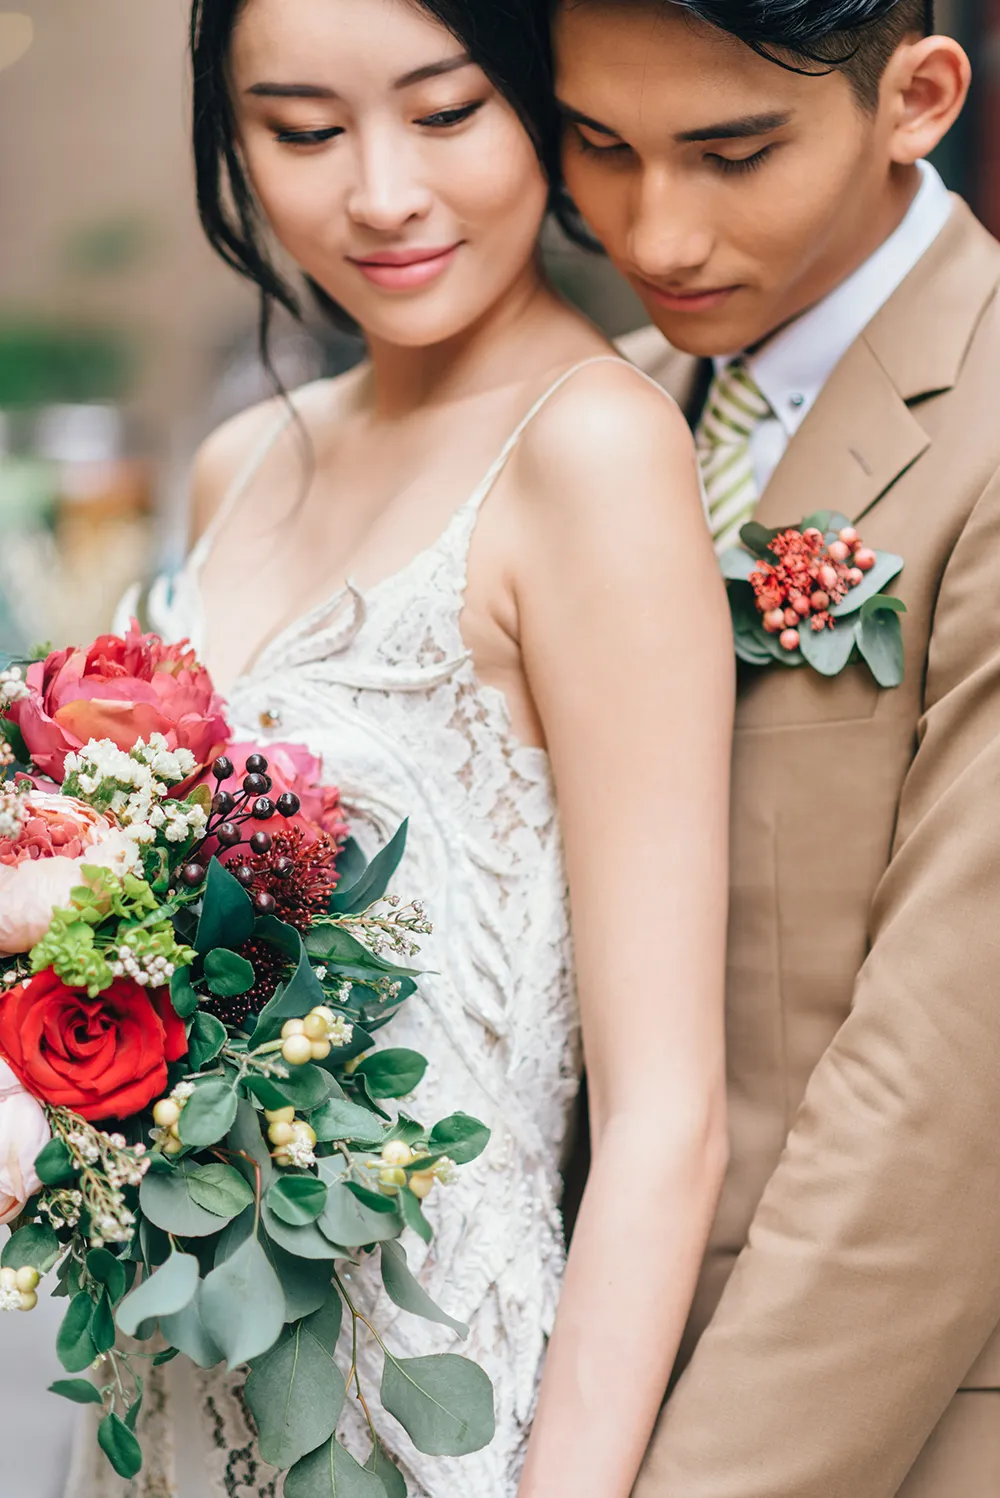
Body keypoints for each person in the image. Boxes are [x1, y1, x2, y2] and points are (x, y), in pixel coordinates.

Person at [65, 1, 733, 1495]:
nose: (380, 194)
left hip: (426, 1399)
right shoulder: (243, 461)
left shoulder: (594, 450)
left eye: (446, 113)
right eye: (303, 130)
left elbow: (664, 1117)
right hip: (167, 1378)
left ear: (543, 103)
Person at [551, 1, 1000, 1494]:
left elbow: (947, 1090)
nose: (654, 232)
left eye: (733, 155)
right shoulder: (602, 412)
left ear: (917, 98)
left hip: (878, 1426)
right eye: (597, 145)